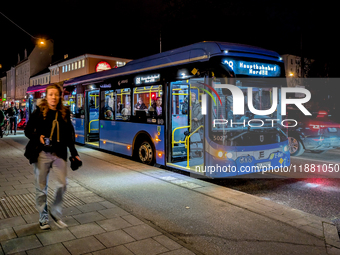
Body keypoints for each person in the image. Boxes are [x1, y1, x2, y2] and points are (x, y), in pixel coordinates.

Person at [25, 84, 81, 230]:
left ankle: (55, 212)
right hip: (42, 153)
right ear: (46, 96)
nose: (53, 97)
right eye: (51, 94)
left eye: (56, 94)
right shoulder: (39, 112)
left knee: (63, 184)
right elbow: (28, 130)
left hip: (59, 153)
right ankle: (43, 217)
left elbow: (69, 135)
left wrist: (74, 153)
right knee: (41, 187)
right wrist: (39, 137)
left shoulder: (64, 112)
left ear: (59, 96)